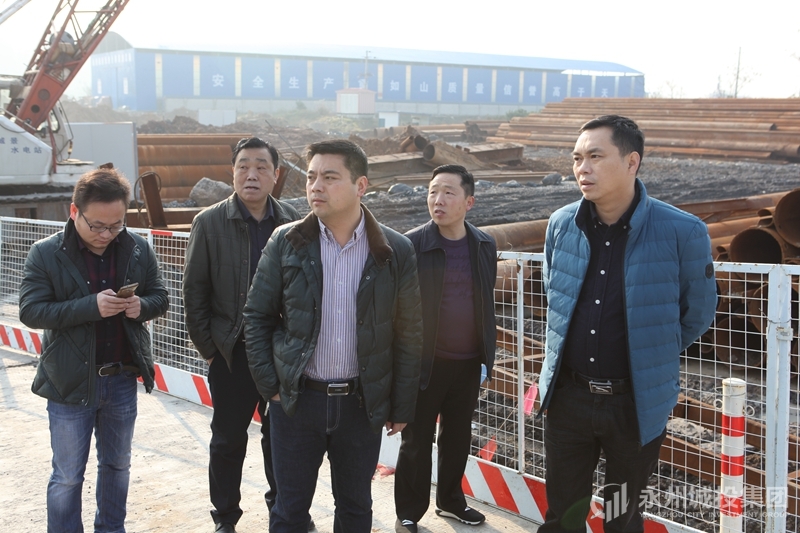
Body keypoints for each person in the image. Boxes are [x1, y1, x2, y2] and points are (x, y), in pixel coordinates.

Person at [537, 115, 717, 533]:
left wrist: (649, 351)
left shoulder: (683, 231)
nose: (582, 168)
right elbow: (554, 294)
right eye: (577, 158)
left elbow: (696, 313)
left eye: (596, 157)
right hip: (569, 400)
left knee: (622, 518)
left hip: (635, 405)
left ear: (632, 161)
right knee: (562, 516)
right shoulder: (562, 224)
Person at [244, 139, 423, 533]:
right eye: (311, 177)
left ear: (361, 185)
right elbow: (256, 317)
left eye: (329, 177)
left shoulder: (394, 249)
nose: (315, 187)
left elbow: (409, 333)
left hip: (361, 404)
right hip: (297, 403)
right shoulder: (286, 241)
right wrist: (272, 386)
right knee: (289, 511)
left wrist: (401, 405)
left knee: (356, 509)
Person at [19, 168, 169, 533]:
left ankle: (111, 529)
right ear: (75, 211)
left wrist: (142, 306)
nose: (106, 234)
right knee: (68, 475)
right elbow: (31, 311)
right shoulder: (46, 253)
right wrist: (91, 306)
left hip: (121, 378)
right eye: (97, 225)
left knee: (118, 465)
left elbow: (160, 296)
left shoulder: (136, 248)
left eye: (115, 225)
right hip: (69, 383)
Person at [183, 137, 305, 533]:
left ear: (275, 174)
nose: (252, 174)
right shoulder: (209, 222)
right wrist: (210, 350)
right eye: (243, 166)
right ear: (232, 173)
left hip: (281, 352)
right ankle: (225, 517)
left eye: (261, 167)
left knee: (281, 439)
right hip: (231, 352)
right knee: (228, 439)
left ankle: (283, 512)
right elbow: (194, 292)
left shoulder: (292, 221)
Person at [394, 165, 497, 532]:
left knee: (457, 438)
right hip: (425, 363)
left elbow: (484, 301)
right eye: (433, 191)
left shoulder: (484, 245)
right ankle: (409, 512)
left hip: (468, 363)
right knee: (416, 440)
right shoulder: (411, 246)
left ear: (469, 202)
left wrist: (485, 356)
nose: (437, 199)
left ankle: (451, 502)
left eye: (448, 192)